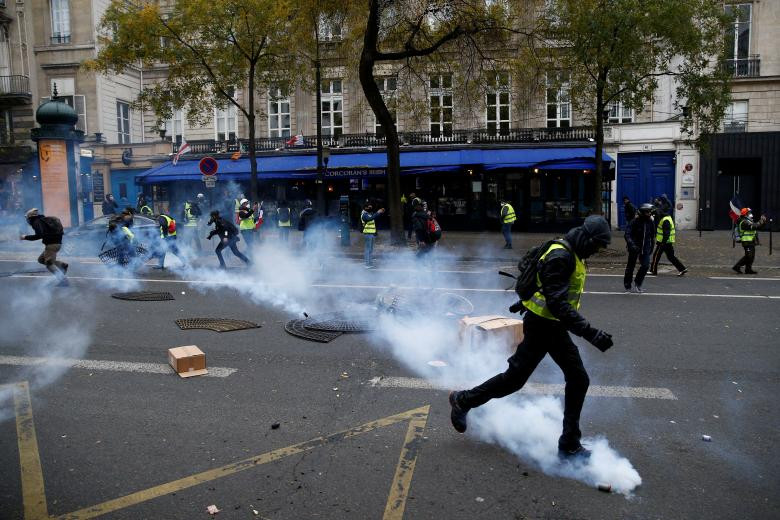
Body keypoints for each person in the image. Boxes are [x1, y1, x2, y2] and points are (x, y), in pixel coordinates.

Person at [448, 216, 614, 459]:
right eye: (597, 245)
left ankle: (464, 400)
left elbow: (543, 285)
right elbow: (557, 303)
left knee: (527, 380)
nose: (596, 251)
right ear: (587, 239)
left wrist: (525, 301)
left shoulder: (569, 251)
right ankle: (463, 400)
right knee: (564, 379)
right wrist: (591, 333)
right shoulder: (562, 256)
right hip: (544, 326)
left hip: (549, 325)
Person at [20, 208, 69, 286]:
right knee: (41, 259)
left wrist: (25, 237)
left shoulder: (36, 222)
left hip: (51, 245)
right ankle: (61, 265)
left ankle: (63, 281)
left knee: (49, 264)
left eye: (28, 218)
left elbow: (39, 235)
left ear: (30, 217)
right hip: (56, 244)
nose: (27, 220)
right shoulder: (43, 220)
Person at [623, 203, 655, 292]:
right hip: (634, 247)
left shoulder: (650, 222)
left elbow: (652, 235)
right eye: (648, 212)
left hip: (645, 248)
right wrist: (631, 244)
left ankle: (638, 283)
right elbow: (627, 234)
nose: (649, 214)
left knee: (645, 265)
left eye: (650, 212)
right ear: (643, 212)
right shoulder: (634, 222)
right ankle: (627, 285)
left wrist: (652, 246)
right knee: (630, 267)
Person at [649, 207, 687, 276]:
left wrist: (662, 243)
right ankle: (682, 269)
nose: (654, 217)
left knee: (656, 256)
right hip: (668, 242)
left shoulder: (665, 220)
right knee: (671, 257)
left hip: (663, 242)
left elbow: (666, 233)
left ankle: (653, 271)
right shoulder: (667, 218)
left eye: (654, 215)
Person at [733, 207, 767, 275]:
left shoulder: (748, 220)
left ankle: (748, 269)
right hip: (747, 241)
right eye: (749, 213)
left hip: (751, 241)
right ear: (745, 214)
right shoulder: (744, 222)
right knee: (749, 256)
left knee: (752, 256)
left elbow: (758, 226)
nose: (751, 214)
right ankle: (737, 266)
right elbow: (753, 226)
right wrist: (761, 221)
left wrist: (763, 222)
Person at [361, 201, 385, 268]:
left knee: (370, 249)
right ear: (365, 208)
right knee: (368, 249)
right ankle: (367, 264)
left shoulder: (369, 213)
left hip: (371, 233)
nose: (370, 208)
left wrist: (380, 212)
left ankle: (370, 263)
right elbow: (370, 218)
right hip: (367, 234)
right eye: (369, 207)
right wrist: (378, 212)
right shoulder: (364, 214)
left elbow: (374, 217)